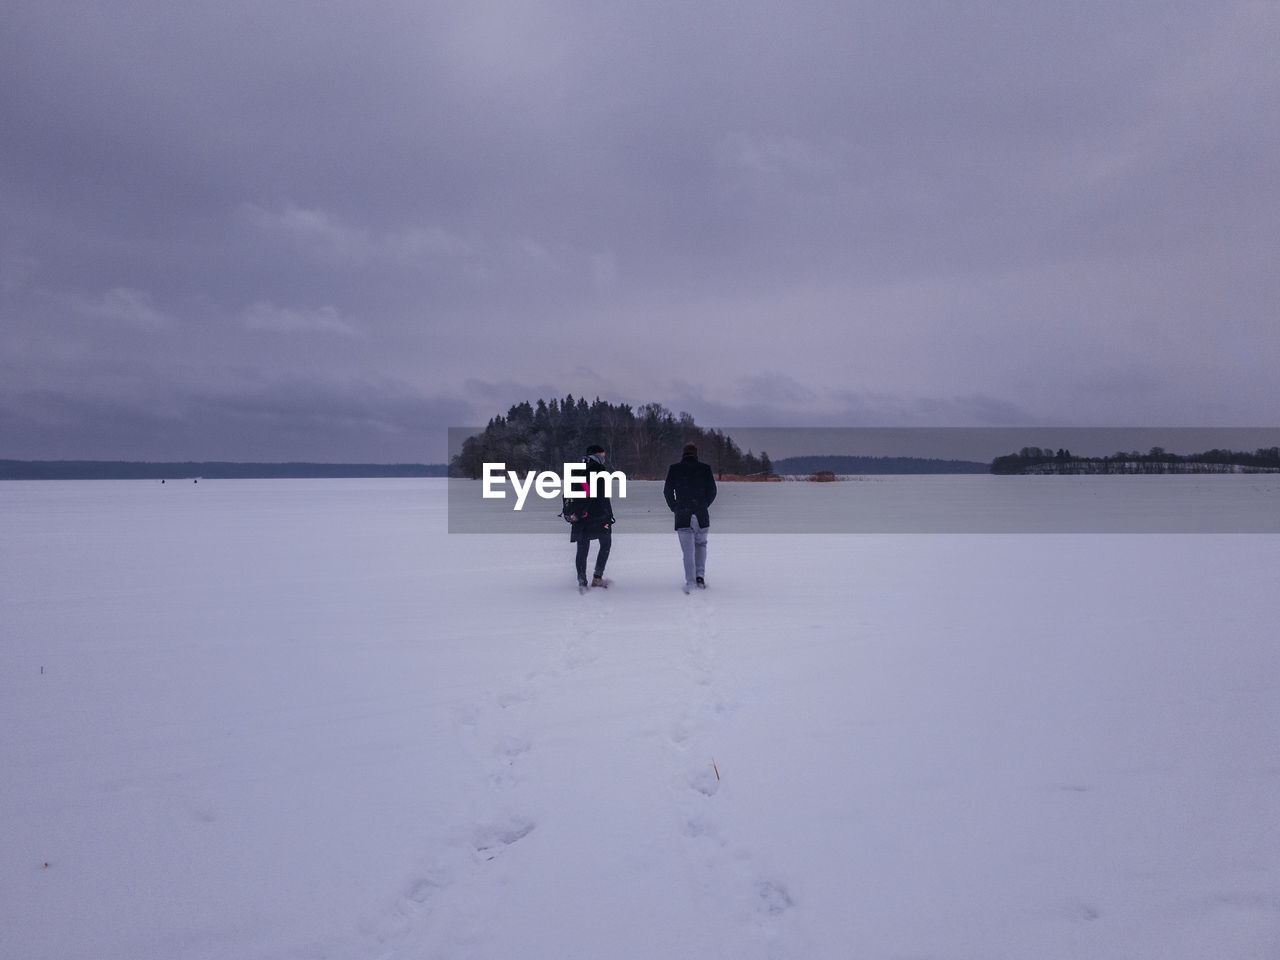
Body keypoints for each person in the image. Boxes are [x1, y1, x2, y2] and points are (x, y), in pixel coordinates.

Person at [663, 442, 717, 592]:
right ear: (696, 453)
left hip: (683, 515)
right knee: (701, 545)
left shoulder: (675, 469)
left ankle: (691, 582)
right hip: (701, 515)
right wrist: (703, 505)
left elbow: (667, 491)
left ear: (683, 453)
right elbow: (712, 491)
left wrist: (675, 507)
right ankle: (700, 576)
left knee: (688, 551)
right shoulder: (705, 469)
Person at [570, 444, 615, 590]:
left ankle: (582, 579)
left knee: (582, 547)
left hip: (581, 515)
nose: (604, 457)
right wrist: (609, 514)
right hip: (599, 515)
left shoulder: (577, 470)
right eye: (602, 454)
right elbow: (602, 496)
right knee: (605, 544)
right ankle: (597, 577)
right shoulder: (600, 471)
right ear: (595, 455)